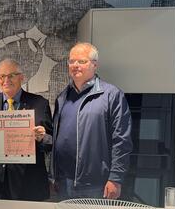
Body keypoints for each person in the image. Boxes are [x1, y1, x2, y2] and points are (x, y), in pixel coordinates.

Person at [51, 42, 132, 200]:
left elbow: (121, 140)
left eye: (81, 61)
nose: (75, 65)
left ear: (95, 65)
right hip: (63, 183)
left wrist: (115, 178)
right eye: (71, 61)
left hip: (95, 185)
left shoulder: (111, 95)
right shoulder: (62, 97)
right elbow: (59, 138)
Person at [0, 58, 53, 201]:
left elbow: (51, 142)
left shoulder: (40, 103)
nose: (6, 80)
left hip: (29, 183)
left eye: (11, 75)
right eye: (2, 76)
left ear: (21, 77)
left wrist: (42, 138)